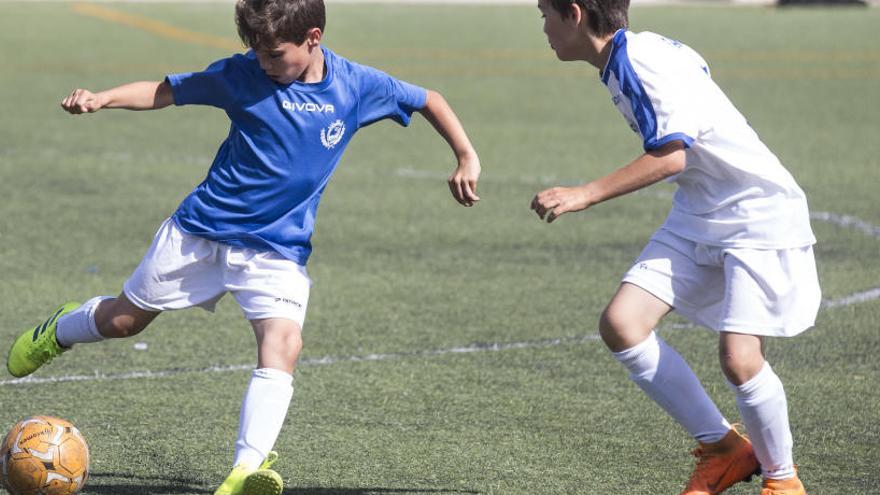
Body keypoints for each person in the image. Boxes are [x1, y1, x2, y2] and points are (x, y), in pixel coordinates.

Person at [6, 0, 480, 494]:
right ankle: (57, 331)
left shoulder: (356, 86)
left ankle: (244, 470)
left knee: (284, 343)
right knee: (123, 321)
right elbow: (166, 91)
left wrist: (466, 155)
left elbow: (429, 98)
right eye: (256, 53)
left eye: (275, 54)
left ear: (313, 38)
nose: (264, 64)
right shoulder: (242, 73)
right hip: (201, 233)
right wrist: (102, 99)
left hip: (277, 249)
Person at [529, 1, 819, 494]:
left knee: (740, 358)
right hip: (700, 212)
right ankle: (726, 449)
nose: (542, 26)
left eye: (544, 13)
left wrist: (584, 194)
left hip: (755, 213)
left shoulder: (639, 61)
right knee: (623, 324)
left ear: (574, 14)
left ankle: (783, 480)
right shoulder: (638, 52)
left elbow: (671, 158)